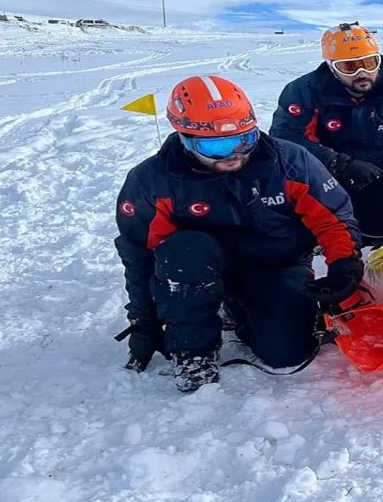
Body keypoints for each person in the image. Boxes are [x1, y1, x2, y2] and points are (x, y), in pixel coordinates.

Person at [114, 75, 365, 392]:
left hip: (277, 264)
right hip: (199, 266)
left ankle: (240, 308)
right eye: (216, 146)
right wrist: (144, 320)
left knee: (287, 352)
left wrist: (344, 264)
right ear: (185, 138)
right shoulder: (151, 180)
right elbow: (139, 253)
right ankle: (195, 353)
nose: (234, 153)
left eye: (244, 140)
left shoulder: (289, 160)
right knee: (184, 249)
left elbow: (333, 217)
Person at [270, 22, 383, 245]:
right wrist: (337, 163)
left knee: (376, 236)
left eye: (369, 63)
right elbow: (284, 137)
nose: (362, 73)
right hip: (324, 173)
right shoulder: (304, 91)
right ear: (331, 67)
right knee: (318, 234)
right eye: (349, 67)